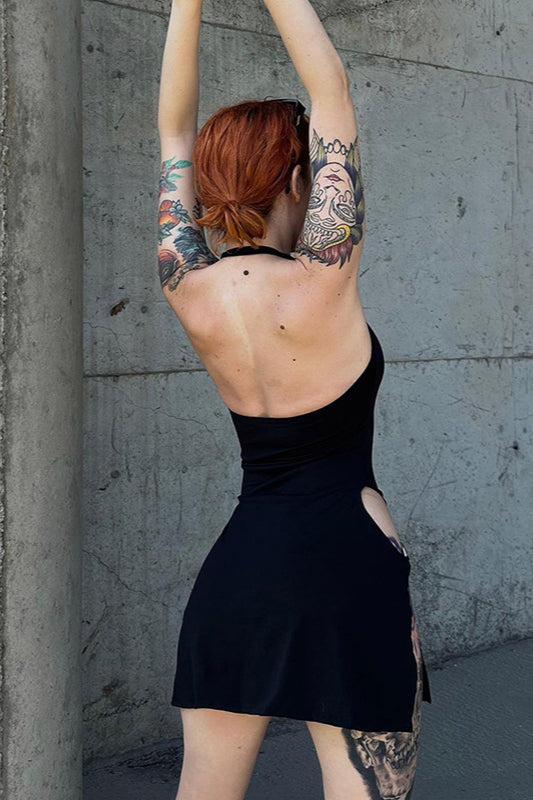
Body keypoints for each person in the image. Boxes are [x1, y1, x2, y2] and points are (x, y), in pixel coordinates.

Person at [157, 1, 432, 798]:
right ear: (298, 179)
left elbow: (172, 133)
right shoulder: (323, 276)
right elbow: (330, 86)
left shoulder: (185, 281)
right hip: (347, 572)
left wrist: (185, 3)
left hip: (238, 574)